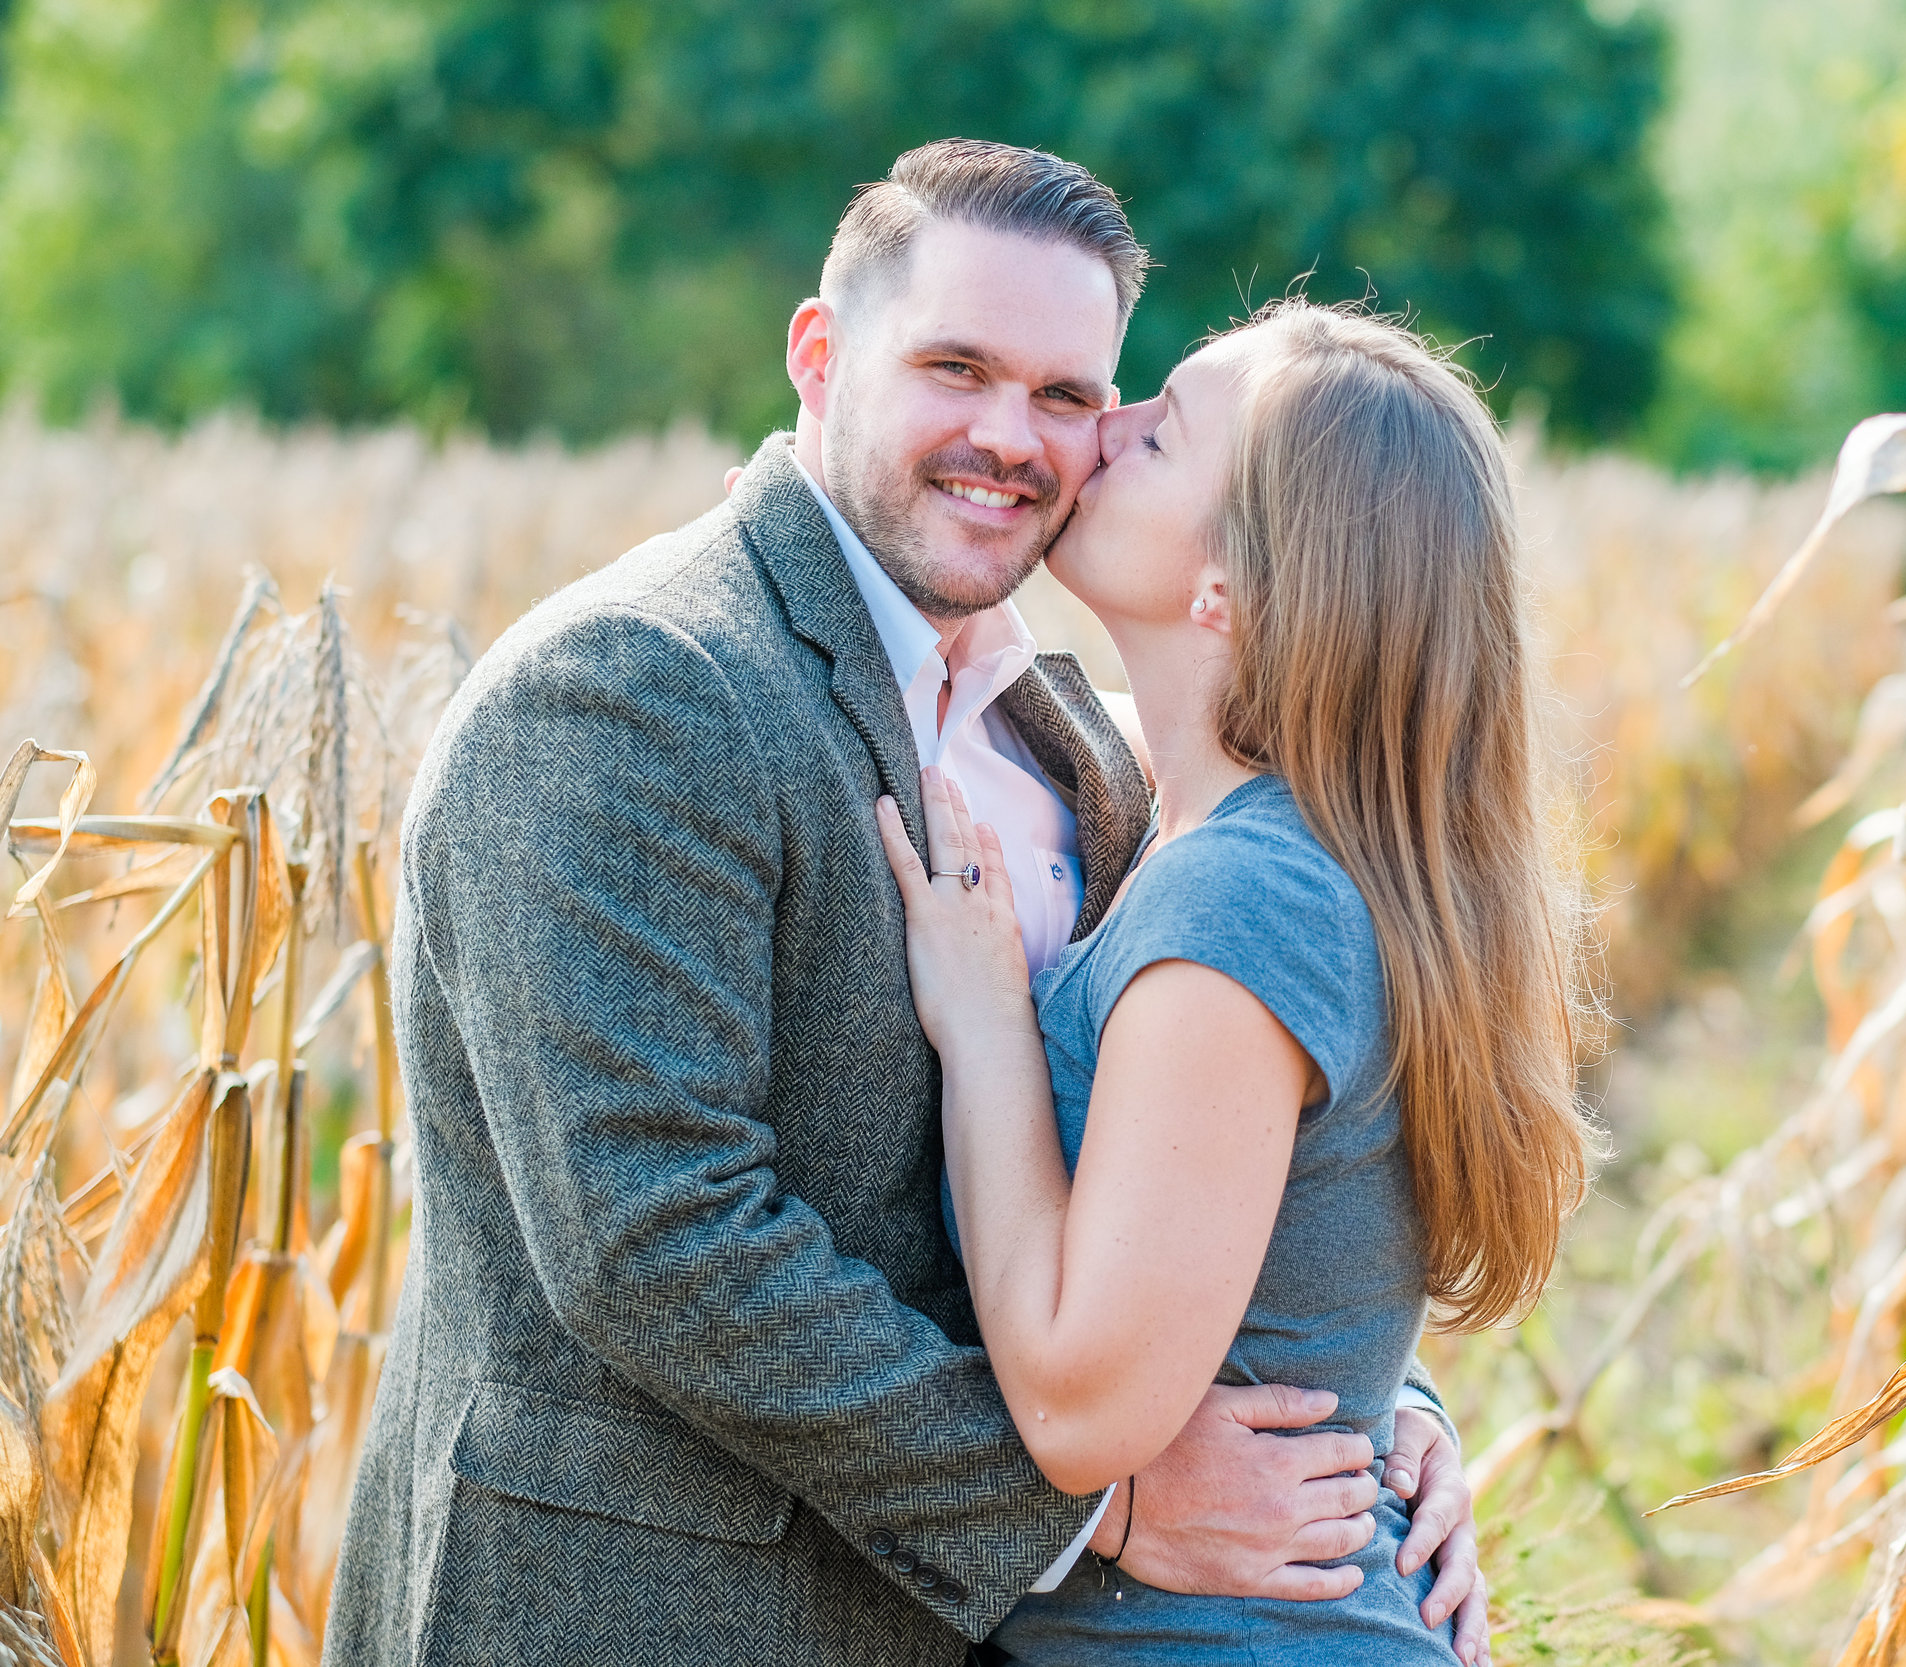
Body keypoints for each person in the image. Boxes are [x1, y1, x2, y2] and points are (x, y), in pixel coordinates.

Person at [326, 142, 1486, 1667]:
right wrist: (1108, 1507)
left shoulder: (1071, 740)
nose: (1012, 439)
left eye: (1071, 397)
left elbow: (1193, 1150)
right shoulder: (633, 691)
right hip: (656, 1615)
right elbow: (659, 1243)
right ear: (821, 354)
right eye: (956, 368)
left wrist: (1367, 1407)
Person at [875, 299, 1599, 1664]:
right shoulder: (1244, 837)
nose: (1106, 423)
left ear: (1234, 586)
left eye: (1161, 433)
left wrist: (984, 1036)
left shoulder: (1243, 900)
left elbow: (1083, 1413)